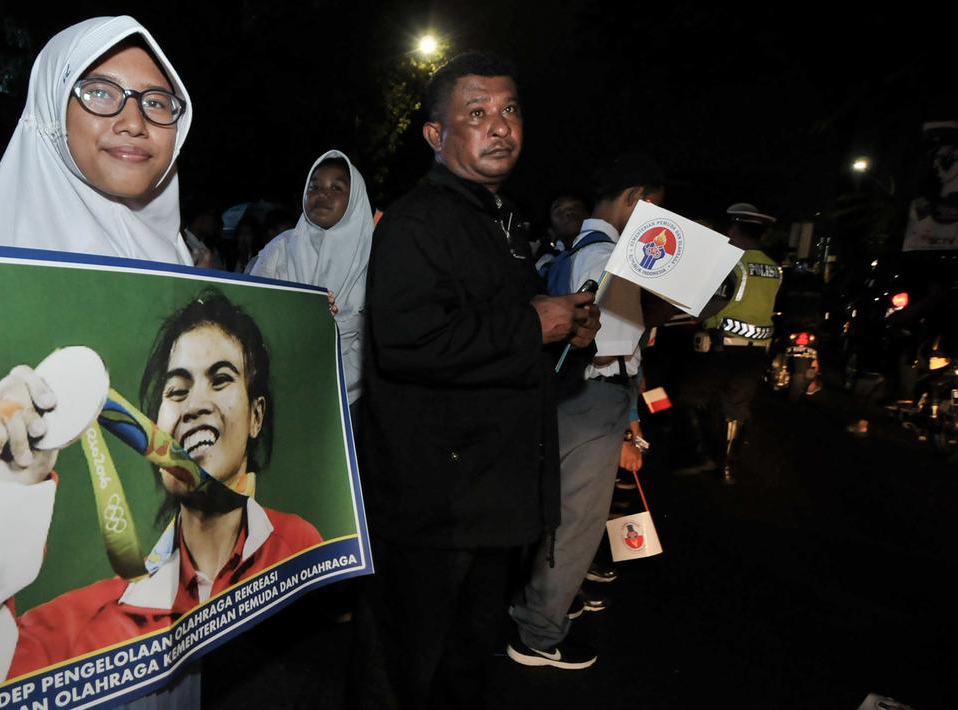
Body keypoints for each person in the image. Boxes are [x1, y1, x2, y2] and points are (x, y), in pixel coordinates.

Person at [0, 289, 320, 710]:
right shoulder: (76, 630)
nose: (194, 404)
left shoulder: (302, 550)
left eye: (220, 379)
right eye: (176, 390)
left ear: (256, 416)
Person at [352, 52, 599, 709]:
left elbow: (507, 349)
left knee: (464, 661)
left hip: (491, 496)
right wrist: (531, 323)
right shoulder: (418, 221)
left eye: (509, 110)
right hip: (435, 503)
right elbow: (406, 342)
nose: (499, 126)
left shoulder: (499, 219)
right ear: (436, 135)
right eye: (477, 112)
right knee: (402, 665)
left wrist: (569, 339)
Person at [506, 153, 666, 671]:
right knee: (578, 519)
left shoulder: (573, 251)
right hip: (596, 395)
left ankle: (541, 603)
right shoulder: (613, 258)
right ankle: (538, 633)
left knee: (557, 509)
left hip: (575, 394)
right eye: (654, 207)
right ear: (635, 198)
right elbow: (616, 344)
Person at [0, 16, 194, 265]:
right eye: (100, 93)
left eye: (155, 102)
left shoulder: (175, 260)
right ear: (53, 109)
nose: (134, 124)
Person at [249, 150, 374, 413]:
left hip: (349, 400)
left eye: (336, 188)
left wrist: (328, 382)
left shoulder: (373, 259)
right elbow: (252, 313)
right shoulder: (280, 250)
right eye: (314, 187)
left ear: (355, 198)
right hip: (279, 388)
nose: (322, 195)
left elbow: (374, 341)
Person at [677, 202, 781, 484]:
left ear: (733, 230)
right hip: (756, 352)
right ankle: (727, 467)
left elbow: (715, 303)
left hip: (721, 347)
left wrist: (690, 310)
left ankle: (700, 456)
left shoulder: (731, 264)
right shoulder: (774, 268)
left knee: (690, 397)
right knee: (736, 406)